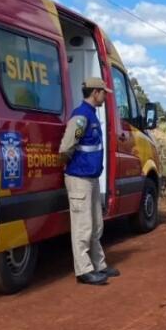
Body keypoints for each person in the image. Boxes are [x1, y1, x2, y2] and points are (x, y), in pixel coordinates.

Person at [59, 77, 121, 285]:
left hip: (91, 178)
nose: (105, 96)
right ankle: (83, 271)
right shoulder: (81, 118)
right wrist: (68, 165)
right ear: (95, 93)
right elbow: (67, 145)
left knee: (95, 225)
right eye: (103, 93)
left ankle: (99, 265)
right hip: (79, 179)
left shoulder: (90, 116)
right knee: (83, 227)